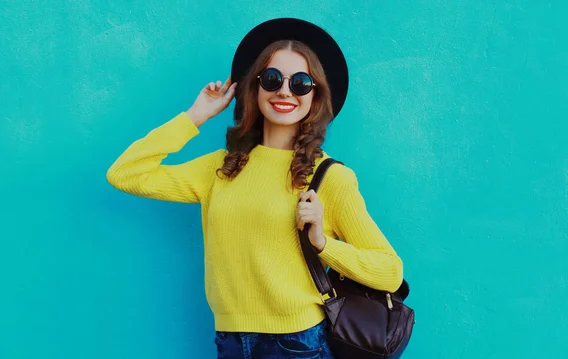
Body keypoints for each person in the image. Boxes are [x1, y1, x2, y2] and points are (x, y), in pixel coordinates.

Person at [106, 18, 403, 359]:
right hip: (230, 340)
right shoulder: (221, 167)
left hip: (297, 343)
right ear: (255, 87)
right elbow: (125, 173)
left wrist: (323, 244)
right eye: (273, 79)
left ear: (316, 95)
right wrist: (196, 115)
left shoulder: (330, 177)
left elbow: (390, 273)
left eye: (302, 83)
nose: (285, 91)